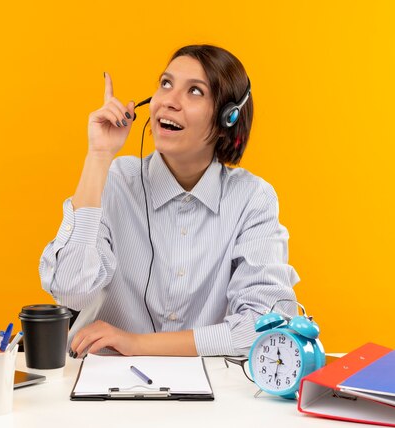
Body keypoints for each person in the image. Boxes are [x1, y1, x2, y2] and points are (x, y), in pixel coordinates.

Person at [39, 44, 299, 358]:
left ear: (226, 118)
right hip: (100, 381)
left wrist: (136, 344)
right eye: (166, 84)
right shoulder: (115, 180)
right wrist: (98, 157)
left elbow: (264, 327)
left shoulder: (251, 200)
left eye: (195, 91)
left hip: (206, 389)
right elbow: (69, 290)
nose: (169, 102)